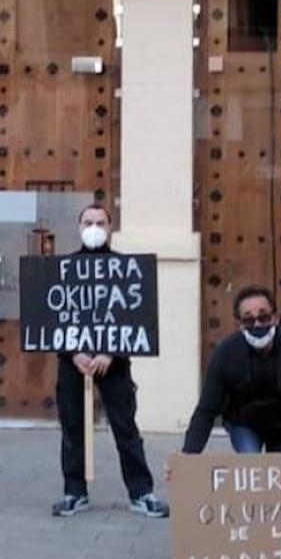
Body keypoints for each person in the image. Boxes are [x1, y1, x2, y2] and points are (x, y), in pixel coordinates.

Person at [51, 204, 168, 519]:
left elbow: (134, 315)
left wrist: (108, 352)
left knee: (125, 427)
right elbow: (53, 319)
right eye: (88, 221)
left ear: (110, 226)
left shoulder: (125, 268)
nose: (94, 227)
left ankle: (141, 492)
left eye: (100, 222)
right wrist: (74, 353)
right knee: (72, 428)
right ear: (79, 226)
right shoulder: (64, 268)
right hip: (72, 362)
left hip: (113, 363)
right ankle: (74, 492)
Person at [180, 286, 281, 456]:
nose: (257, 324)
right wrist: (187, 457)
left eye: (264, 317)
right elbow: (206, 410)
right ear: (239, 325)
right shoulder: (226, 353)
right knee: (251, 468)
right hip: (244, 423)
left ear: (276, 318)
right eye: (248, 320)